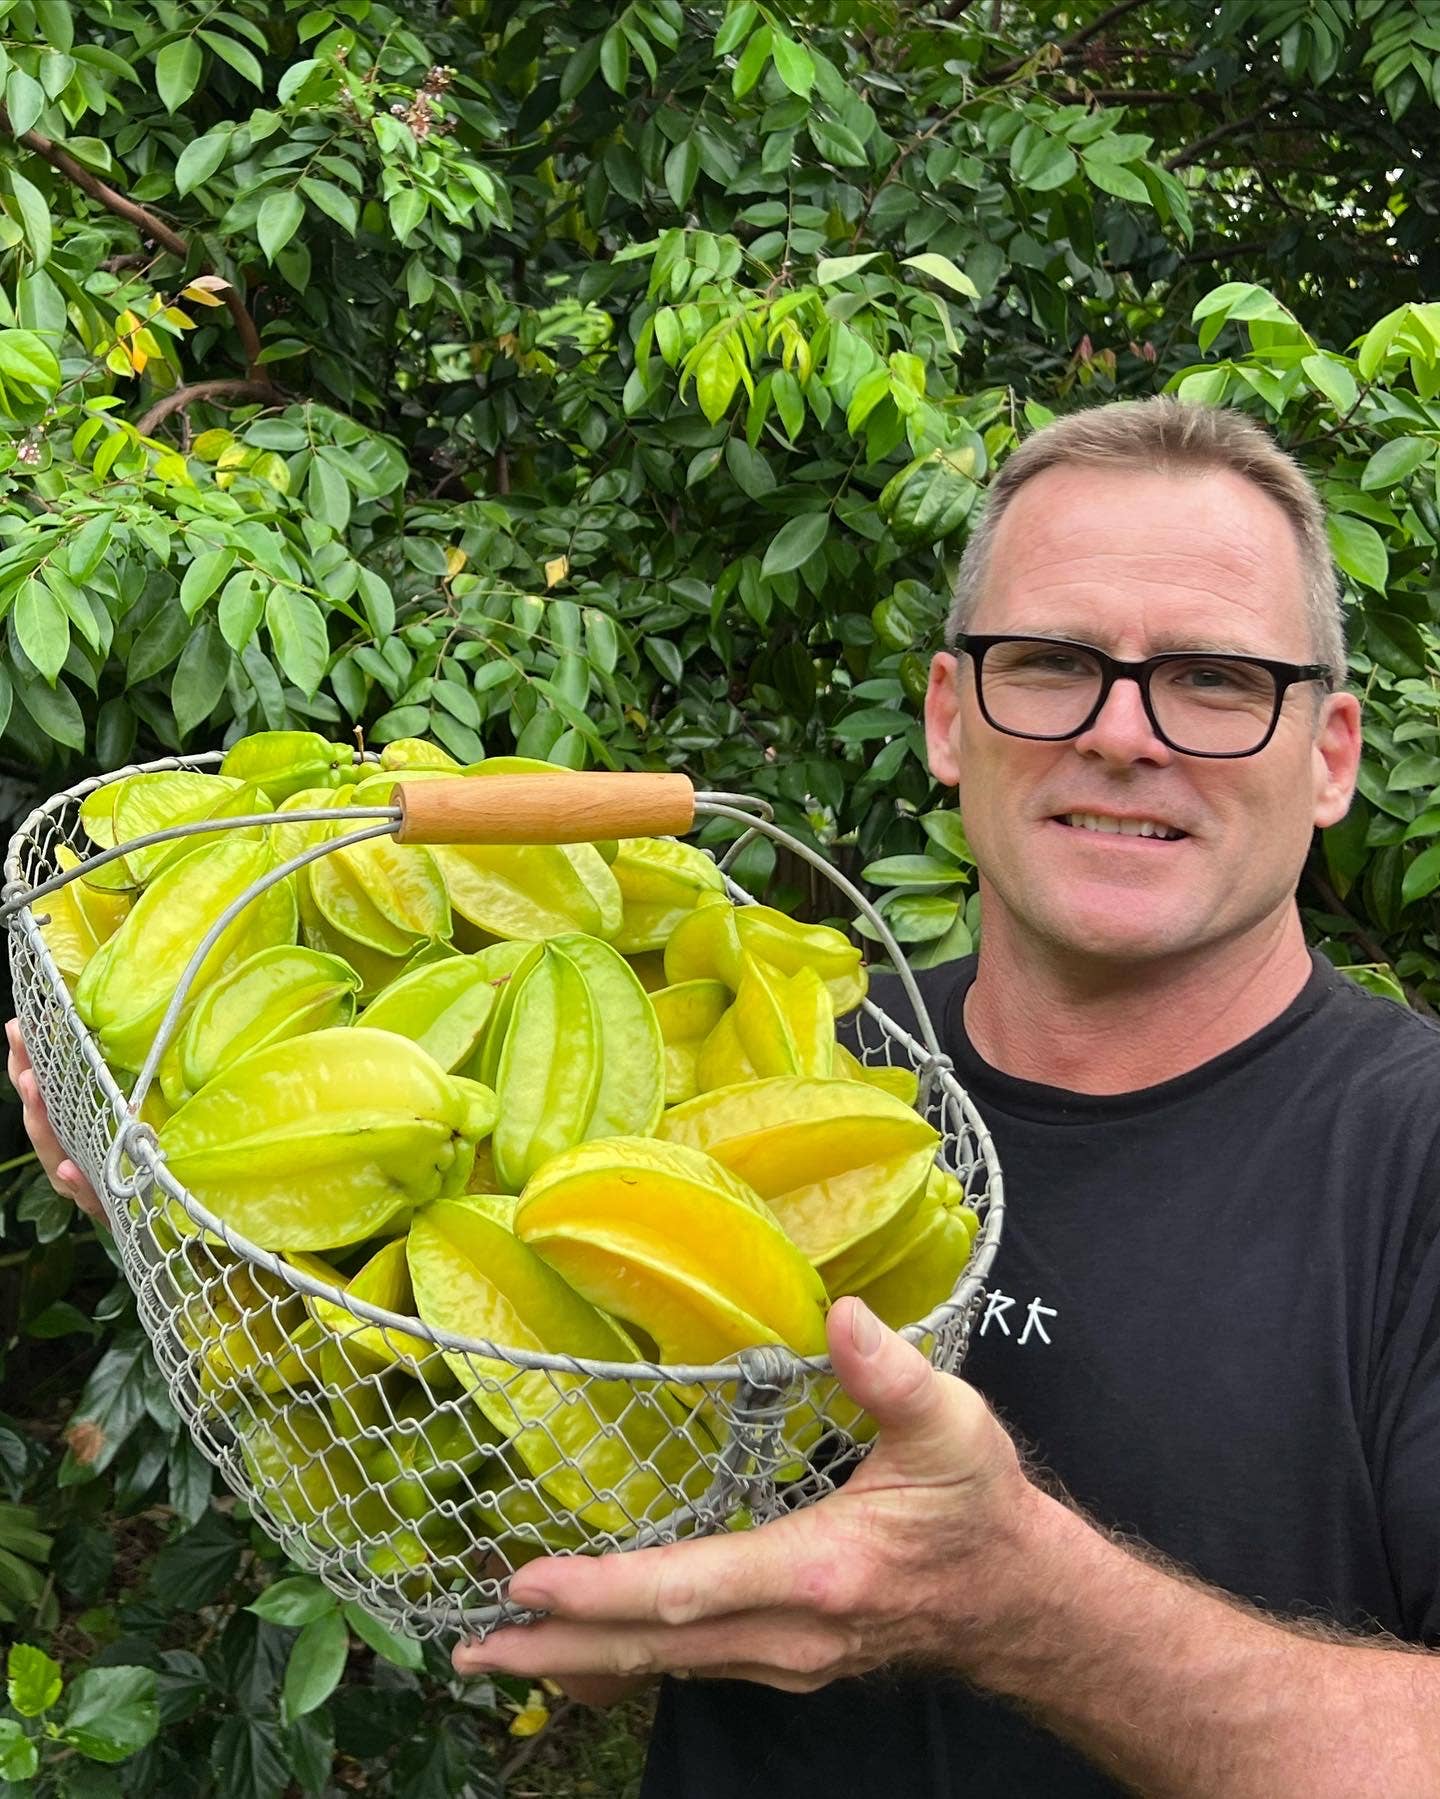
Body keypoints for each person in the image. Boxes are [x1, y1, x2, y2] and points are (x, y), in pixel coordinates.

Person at [10, 397, 1440, 1794]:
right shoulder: (794, 1051)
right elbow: (578, 1592)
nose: (1123, 733)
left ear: (1332, 756)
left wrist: (1014, 1603)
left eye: (1215, 679)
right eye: (1052, 662)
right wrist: (225, 1240)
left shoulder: (1412, 1157)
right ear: (950, 719)